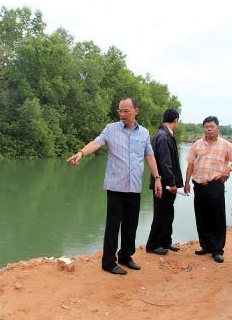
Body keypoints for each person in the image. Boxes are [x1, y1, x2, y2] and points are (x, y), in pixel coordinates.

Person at [67, 97, 163, 275]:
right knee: (113, 225)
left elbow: (149, 156)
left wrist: (157, 177)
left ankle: (126, 256)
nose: (122, 114)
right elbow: (97, 142)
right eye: (120, 111)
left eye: (126, 111)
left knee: (131, 225)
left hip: (134, 186)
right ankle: (109, 262)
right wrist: (81, 153)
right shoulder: (111, 129)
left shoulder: (144, 133)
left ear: (136, 110)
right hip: (116, 186)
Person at [184, 116, 232, 263]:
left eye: (212, 126)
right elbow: (190, 164)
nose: (209, 128)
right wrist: (187, 182)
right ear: (203, 128)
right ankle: (206, 245)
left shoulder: (225, 144)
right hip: (199, 185)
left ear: (218, 128)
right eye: (206, 126)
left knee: (217, 217)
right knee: (201, 216)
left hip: (215, 185)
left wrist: (227, 170)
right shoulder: (197, 144)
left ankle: (217, 250)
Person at [146, 108, 184, 255]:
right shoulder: (163, 136)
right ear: (176, 120)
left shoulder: (165, 134)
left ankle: (165, 242)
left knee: (168, 213)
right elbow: (165, 162)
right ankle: (153, 245)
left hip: (166, 183)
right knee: (161, 214)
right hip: (162, 184)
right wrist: (172, 183)